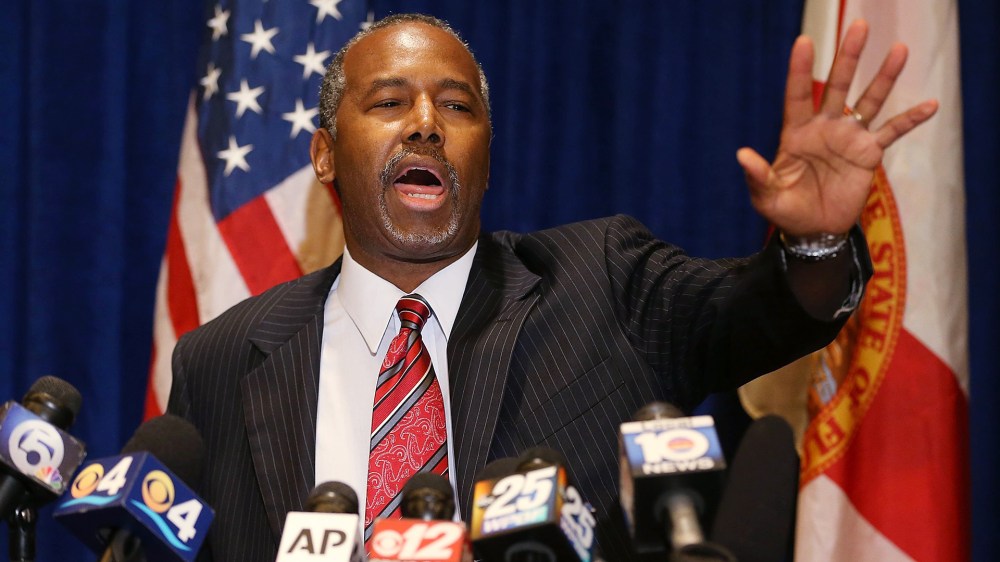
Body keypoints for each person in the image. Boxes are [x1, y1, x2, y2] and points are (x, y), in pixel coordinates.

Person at [167, 13, 937, 561]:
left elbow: (756, 315)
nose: (428, 124)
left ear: (486, 159)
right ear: (326, 156)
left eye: (458, 106)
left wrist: (816, 240)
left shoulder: (600, 281)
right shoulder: (222, 361)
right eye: (391, 103)